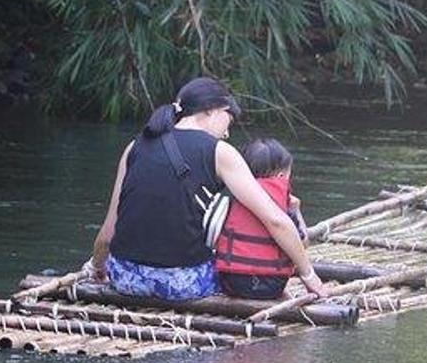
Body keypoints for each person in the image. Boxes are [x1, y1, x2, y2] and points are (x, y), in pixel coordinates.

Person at [88, 77, 326, 301]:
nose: (227, 132)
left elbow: (109, 232)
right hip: (181, 285)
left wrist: (97, 267)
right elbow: (275, 220)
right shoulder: (219, 152)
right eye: (228, 120)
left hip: (124, 279)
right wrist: (308, 274)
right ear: (212, 109)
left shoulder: (134, 146)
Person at [214, 138, 311, 299]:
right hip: (271, 286)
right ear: (281, 175)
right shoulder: (283, 202)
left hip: (230, 283)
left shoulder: (235, 194)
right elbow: (303, 243)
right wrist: (296, 210)